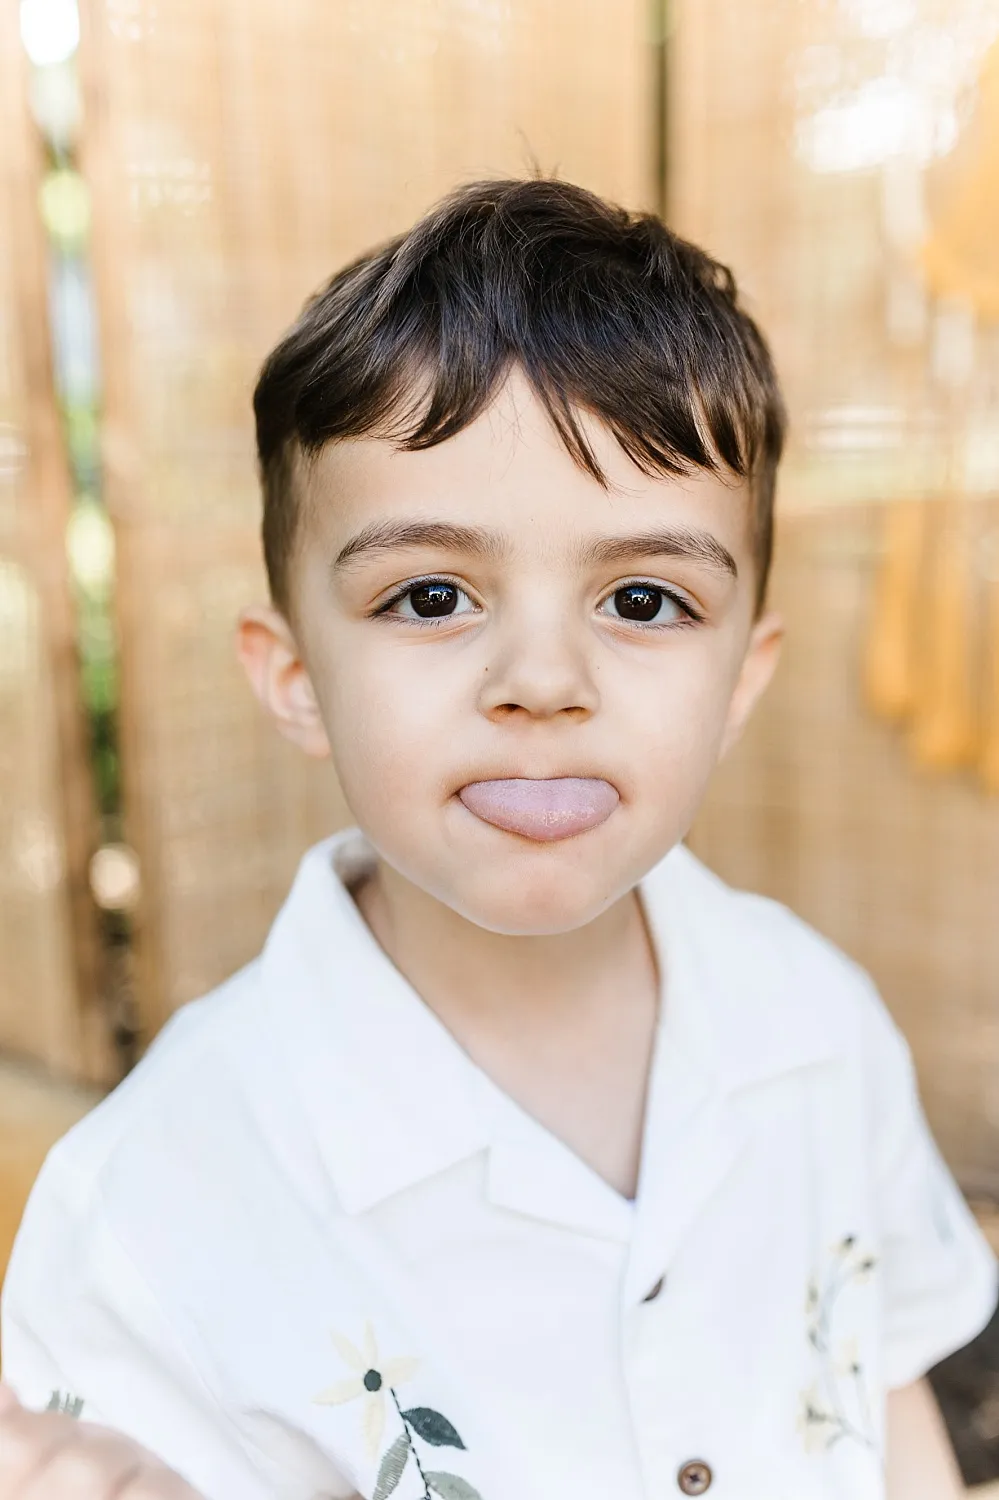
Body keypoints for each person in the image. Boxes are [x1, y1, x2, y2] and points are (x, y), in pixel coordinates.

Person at [1, 178, 995, 1500]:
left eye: (643, 599)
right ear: (294, 677)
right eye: (430, 596)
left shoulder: (817, 1027)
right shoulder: (147, 1210)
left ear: (740, 682)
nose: (542, 679)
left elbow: (885, 1397)